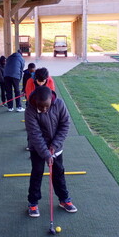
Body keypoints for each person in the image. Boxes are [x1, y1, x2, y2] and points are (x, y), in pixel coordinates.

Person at [24, 86, 77, 217]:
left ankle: (64, 199)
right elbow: (35, 134)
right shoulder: (30, 110)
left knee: (58, 173)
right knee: (37, 173)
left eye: (46, 106)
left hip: (56, 147)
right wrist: (46, 154)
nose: (44, 109)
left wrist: (55, 145)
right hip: (37, 148)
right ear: (35, 101)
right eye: (41, 107)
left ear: (51, 101)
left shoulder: (59, 104)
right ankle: (33, 202)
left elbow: (65, 125)